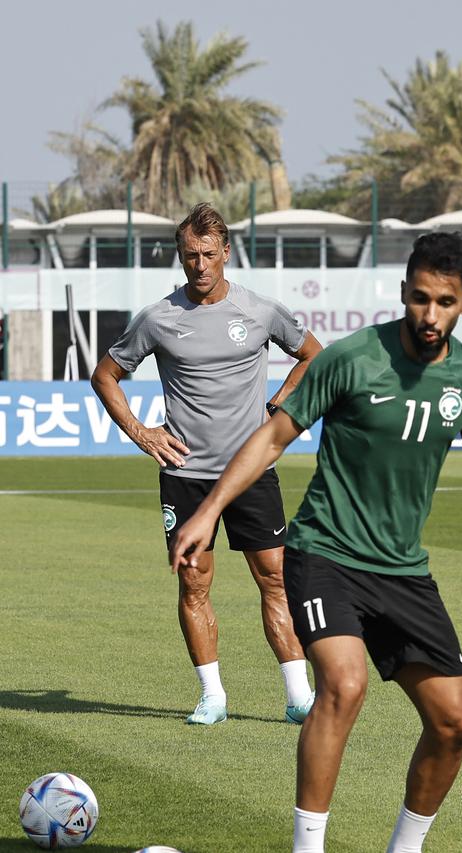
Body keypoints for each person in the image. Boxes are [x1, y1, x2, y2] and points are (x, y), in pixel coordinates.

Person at [169, 231, 462, 852]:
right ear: (403, 291)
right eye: (418, 298)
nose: (429, 314)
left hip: (404, 572)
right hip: (324, 554)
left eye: (444, 301)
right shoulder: (353, 358)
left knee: (453, 723)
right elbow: (273, 437)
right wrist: (209, 512)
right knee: (345, 683)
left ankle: (403, 849)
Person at [91, 202, 321, 726]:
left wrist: (283, 402)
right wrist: (142, 432)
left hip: (250, 471)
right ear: (180, 256)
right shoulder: (158, 318)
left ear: (226, 253)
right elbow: (106, 375)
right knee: (194, 582)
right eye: (190, 255)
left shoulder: (260, 311)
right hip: (186, 475)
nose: (199, 265)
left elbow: (313, 356)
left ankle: (298, 696)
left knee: (275, 579)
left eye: (208, 255)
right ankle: (213, 696)